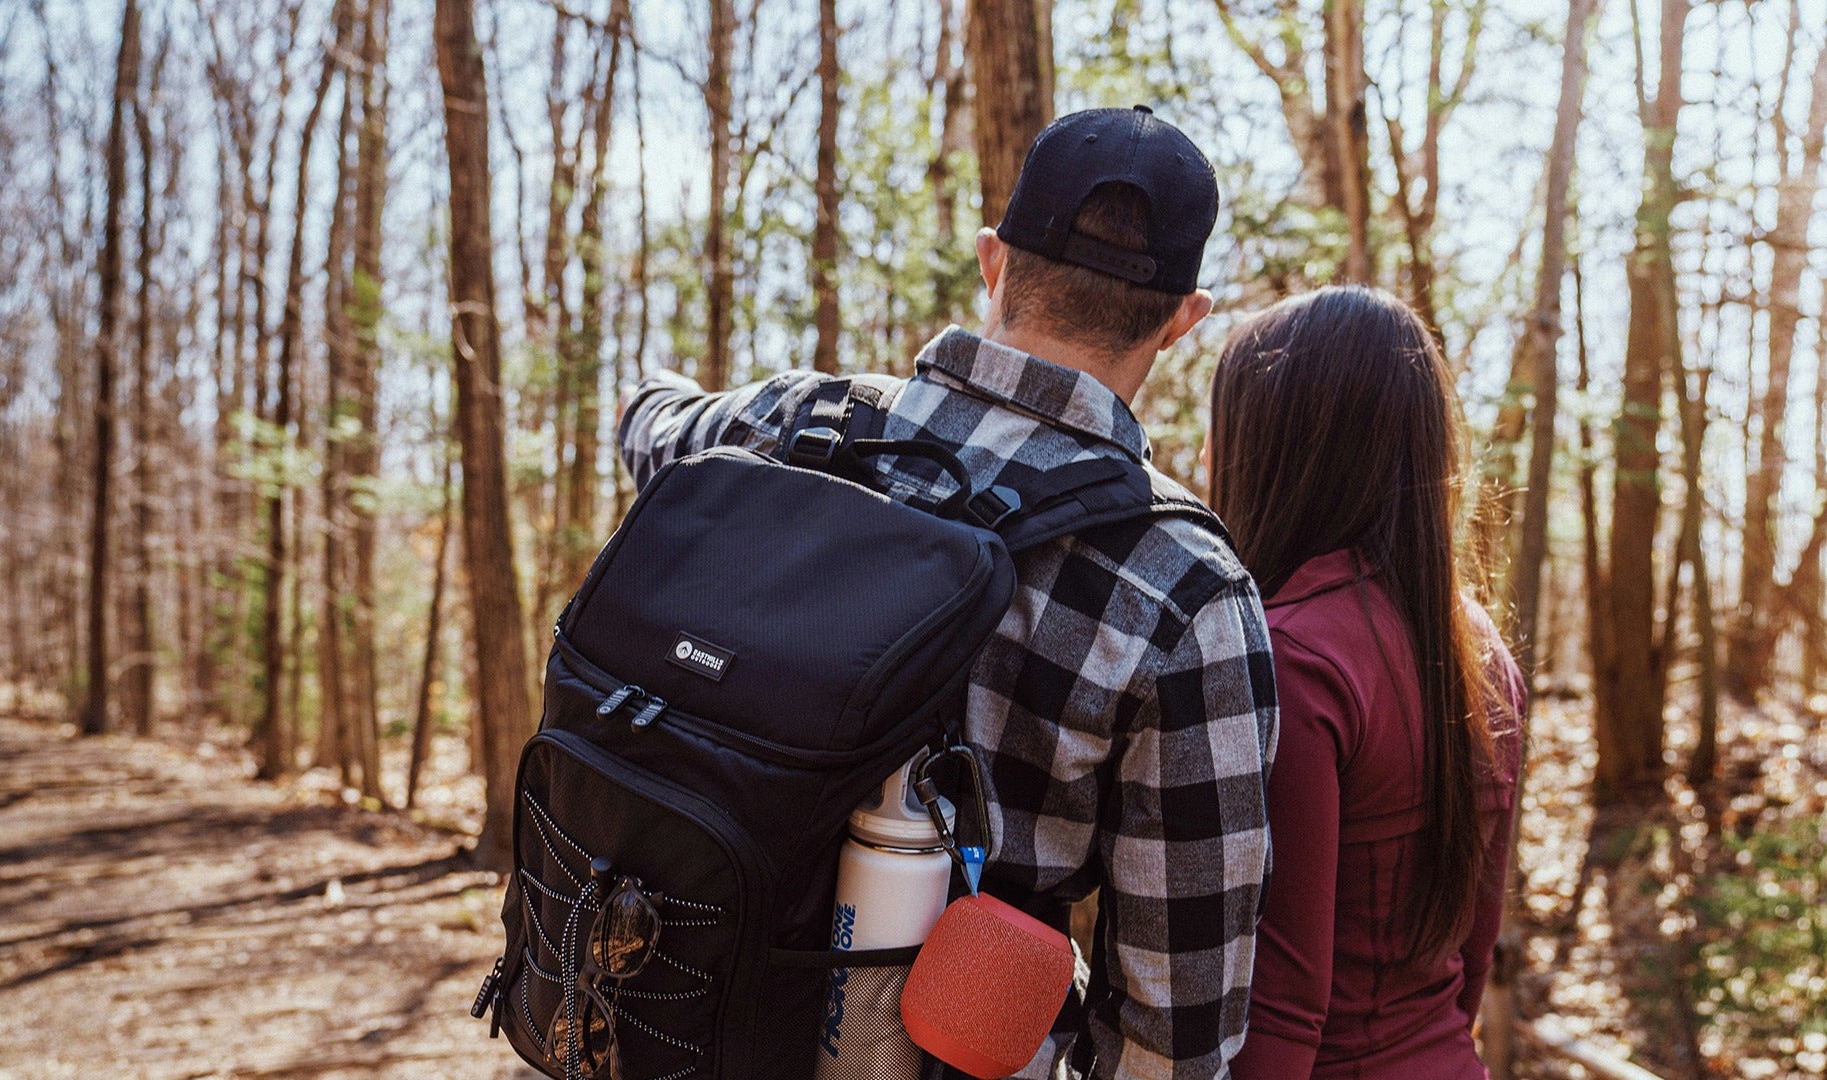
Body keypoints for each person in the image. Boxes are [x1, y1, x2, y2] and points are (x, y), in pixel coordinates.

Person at [616, 107, 1277, 1079]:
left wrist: (657, 395)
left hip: (682, 1030)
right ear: (1184, 320)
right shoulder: (1187, 593)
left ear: (993, 260)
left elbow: (649, 426)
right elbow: (1171, 1043)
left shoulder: (800, 424)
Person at [1208, 286, 1526, 1079]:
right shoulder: (1482, 649)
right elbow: (1475, 945)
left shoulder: (1292, 655)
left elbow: (1281, 1011)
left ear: (1277, 451)